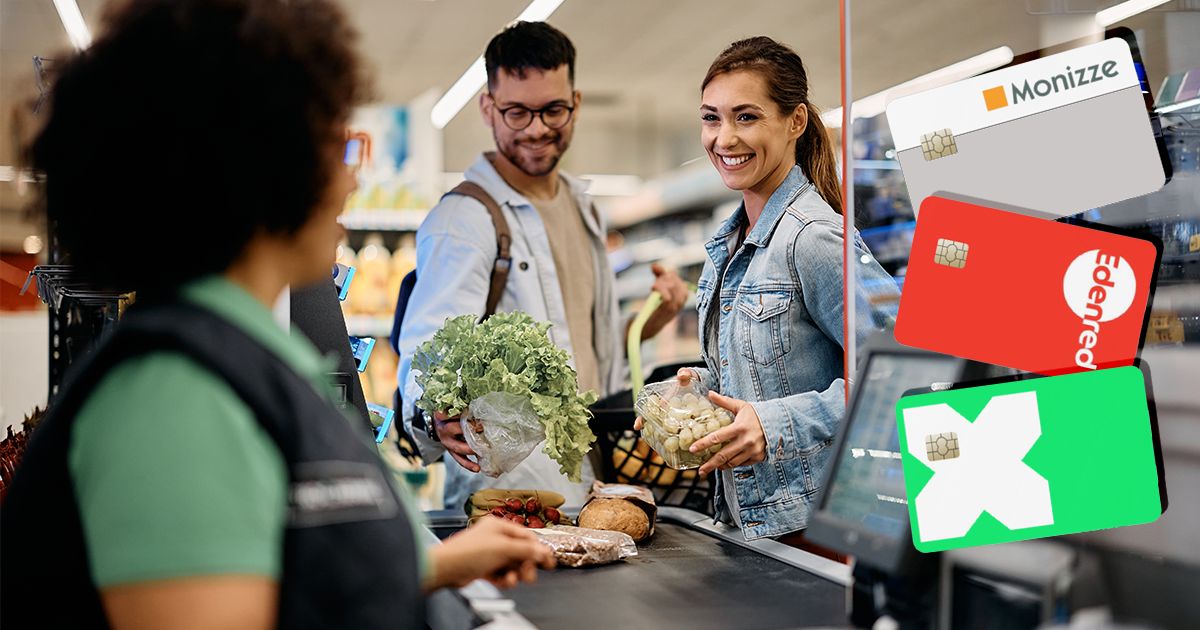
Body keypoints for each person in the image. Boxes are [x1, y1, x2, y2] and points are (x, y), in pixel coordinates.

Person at [0, 2, 551, 629]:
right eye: (336, 146)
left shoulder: (241, 353)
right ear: (261, 166)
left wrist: (434, 565)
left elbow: (278, 566)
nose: (350, 180)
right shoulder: (175, 397)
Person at [398, 21, 688, 509]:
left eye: (553, 110)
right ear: (488, 107)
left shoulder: (583, 206)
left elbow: (577, 352)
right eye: (517, 112)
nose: (537, 128)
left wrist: (646, 322)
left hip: (596, 479)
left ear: (575, 102)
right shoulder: (465, 219)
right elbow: (428, 351)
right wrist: (435, 416)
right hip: (512, 494)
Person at [638, 36, 898, 543]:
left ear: (795, 121)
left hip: (819, 528)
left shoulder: (814, 238)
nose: (724, 138)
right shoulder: (730, 245)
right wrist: (701, 389)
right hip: (753, 524)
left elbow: (905, 374)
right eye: (711, 118)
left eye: (746, 117)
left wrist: (775, 423)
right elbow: (778, 369)